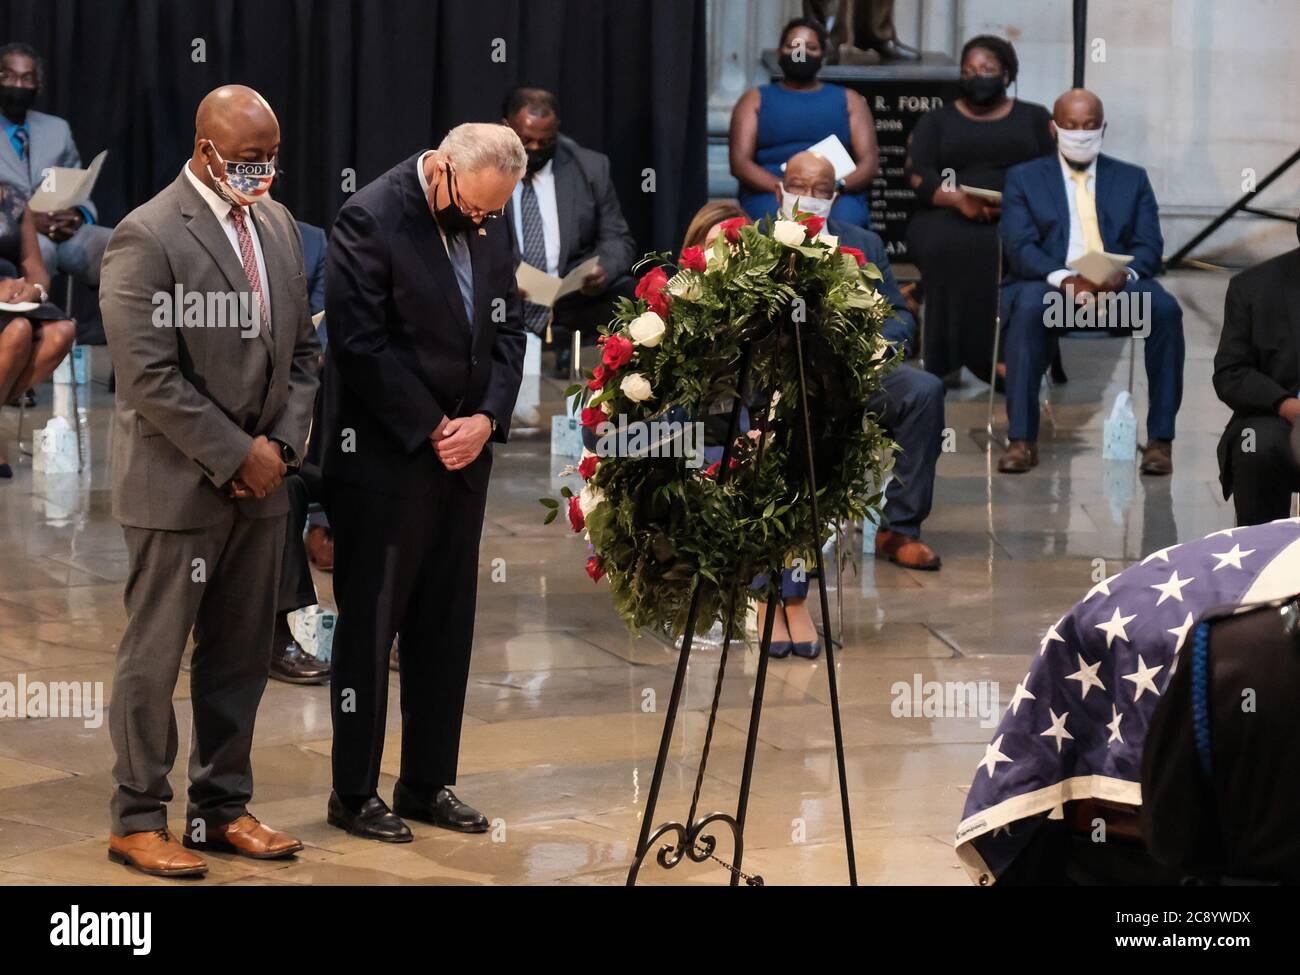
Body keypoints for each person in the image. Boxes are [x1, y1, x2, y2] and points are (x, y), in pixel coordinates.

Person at [100, 85, 320, 877]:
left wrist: (282, 448)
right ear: (206, 153)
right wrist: (237, 454)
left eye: (271, 161)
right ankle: (137, 815)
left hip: (265, 487)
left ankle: (221, 806)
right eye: (249, 163)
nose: (263, 175)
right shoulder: (148, 234)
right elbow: (148, 377)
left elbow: (301, 352)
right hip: (178, 489)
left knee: (237, 655)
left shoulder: (280, 224)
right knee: (153, 659)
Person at [321, 122, 526, 842]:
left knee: (446, 627)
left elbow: (510, 326)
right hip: (387, 456)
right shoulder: (370, 216)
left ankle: (426, 780)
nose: (483, 223)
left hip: (465, 458)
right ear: (440, 169)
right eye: (472, 209)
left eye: (492, 214)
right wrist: (434, 423)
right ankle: (353, 791)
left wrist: (487, 418)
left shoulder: (495, 211)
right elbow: (356, 342)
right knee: (370, 633)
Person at [998, 88, 1183, 476]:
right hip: (1053, 290)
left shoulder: (1132, 179)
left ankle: (1160, 442)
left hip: (1117, 292)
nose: (1080, 133)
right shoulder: (1023, 178)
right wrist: (1066, 280)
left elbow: (1150, 246)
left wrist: (1122, 275)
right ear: (1054, 128)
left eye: (1089, 125)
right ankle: (1021, 440)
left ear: (1103, 128)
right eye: (1070, 125)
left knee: (1164, 310)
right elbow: (1020, 247)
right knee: (1028, 309)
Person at [776, 150, 944, 570]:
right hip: (783, 378)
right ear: (780, 188)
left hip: (859, 371)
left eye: (820, 189)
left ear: (835, 196)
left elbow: (900, 314)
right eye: (798, 186)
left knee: (924, 390)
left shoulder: (863, 243)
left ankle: (899, 529)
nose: (808, 197)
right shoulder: (757, 239)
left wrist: (876, 346)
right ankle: (794, 535)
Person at [904, 34, 1053, 384]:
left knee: (1003, 248)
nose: (977, 75)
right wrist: (958, 199)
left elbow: (1051, 170)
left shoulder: (1033, 117)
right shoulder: (937, 120)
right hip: (947, 210)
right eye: (968, 69)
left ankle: (1003, 356)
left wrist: (1016, 204)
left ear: (1006, 75)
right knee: (947, 245)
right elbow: (917, 172)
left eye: (987, 69)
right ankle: (945, 357)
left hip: (1020, 212)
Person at [501, 86, 637, 378]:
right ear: (506, 127)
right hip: (504, 295)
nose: (535, 149)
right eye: (526, 140)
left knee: (628, 292)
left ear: (558, 130)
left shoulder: (589, 167)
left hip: (568, 293)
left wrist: (603, 268)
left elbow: (617, 238)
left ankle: (609, 400)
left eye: (545, 141)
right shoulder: (485, 166)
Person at [729, 17, 878, 231]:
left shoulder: (849, 100)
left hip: (835, 193)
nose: (801, 53)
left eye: (811, 47)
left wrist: (831, 189)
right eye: (793, 46)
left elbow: (869, 163)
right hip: (771, 192)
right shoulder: (754, 99)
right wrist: (788, 190)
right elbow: (740, 163)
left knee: (846, 224)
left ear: (823, 55)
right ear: (780, 52)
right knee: (768, 228)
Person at [0, 42, 112, 286]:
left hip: (62, 233)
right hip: (11, 235)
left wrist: (77, 216)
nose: (18, 86)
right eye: (8, 77)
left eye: (27, 79)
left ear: (37, 86)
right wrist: (27, 221)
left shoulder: (57, 129)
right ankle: (42, 324)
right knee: (43, 252)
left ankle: (120, 323)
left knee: (118, 246)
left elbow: (78, 185)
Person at [1212, 224, 1300, 525]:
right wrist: (1287, 405)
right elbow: (1231, 372)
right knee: (1255, 445)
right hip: (1281, 416)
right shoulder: (1253, 287)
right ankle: (1259, 560)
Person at [0, 178, 76, 478]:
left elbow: (37, 271)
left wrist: (33, 290)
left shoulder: (14, 198)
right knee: (18, 331)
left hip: (13, 300)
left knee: (63, 332)